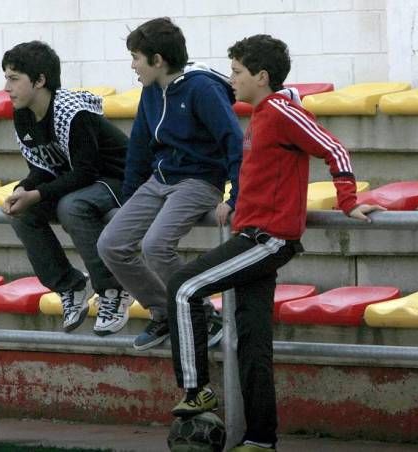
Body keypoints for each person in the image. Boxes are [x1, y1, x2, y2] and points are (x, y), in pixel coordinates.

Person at [166, 34, 385, 452]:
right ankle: (261, 440)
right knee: (252, 344)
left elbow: (335, 149)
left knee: (184, 287)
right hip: (250, 234)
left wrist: (348, 202)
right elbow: (259, 175)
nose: (230, 79)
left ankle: (196, 390)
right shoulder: (259, 116)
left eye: (236, 72)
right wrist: (234, 203)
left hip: (267, 241)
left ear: (261, 76)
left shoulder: (283, 110)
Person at [97, 18, 243, 351]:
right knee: (111, 243)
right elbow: (138, 147)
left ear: (157, 59)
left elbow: (234, 142)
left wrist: (236, 196)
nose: (133, 65)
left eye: (136, 57)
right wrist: (129, 201)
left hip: (199, 179)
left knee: (155, 246)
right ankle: (164, 311)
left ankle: (202, 314)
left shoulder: (201, 89)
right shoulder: (151, 91)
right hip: (160, 179)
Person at [1, 41, 131, 336]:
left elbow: (86, 171)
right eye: (6, 77)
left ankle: (113, 290)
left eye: (13, 78)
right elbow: (41, 168)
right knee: (20, 212)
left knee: (71, 206)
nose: (6, 87)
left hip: (123, 180)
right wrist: (24, 189)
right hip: (85, 182)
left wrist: (38, 193)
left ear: (40, 80)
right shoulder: (22, 113)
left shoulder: (73, 111)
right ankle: (70, 285)